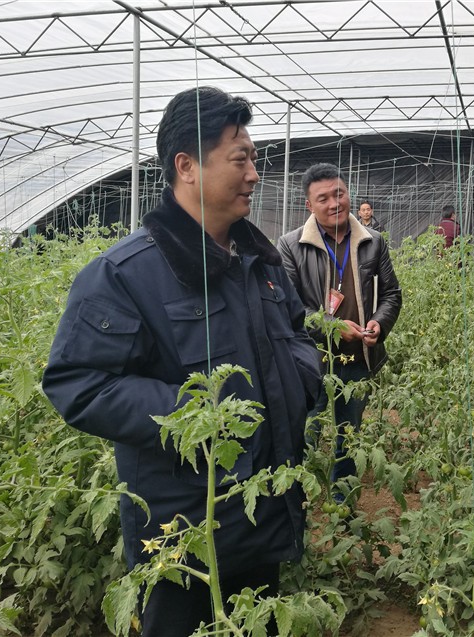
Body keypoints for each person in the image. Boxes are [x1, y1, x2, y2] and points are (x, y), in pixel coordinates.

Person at [42, 87, 322, 636]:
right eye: (239, 160)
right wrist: (196, 415)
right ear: (187, 166)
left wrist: (301, 380)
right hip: (182, 537)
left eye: (254, 159)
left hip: (262, 514)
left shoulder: (261, 263)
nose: (254, 175)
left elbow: (297, 333)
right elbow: (78, 383)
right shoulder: (126, 274)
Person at [277, 164, 402, 493]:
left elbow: (391, 293)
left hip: (358, 357)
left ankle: (342, 502)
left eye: (340, 194)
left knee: (349, 436)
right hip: (311, 361)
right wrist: (331, 327)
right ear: (309, 205)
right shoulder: (291, 246)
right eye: (324, 198)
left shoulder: (372, 241)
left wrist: (379, 323)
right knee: (306, 432)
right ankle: (299, 500)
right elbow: (288, 308)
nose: (335, 203)